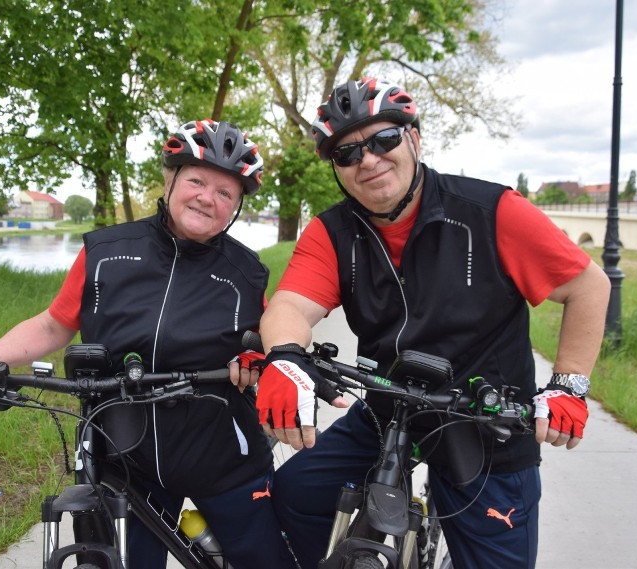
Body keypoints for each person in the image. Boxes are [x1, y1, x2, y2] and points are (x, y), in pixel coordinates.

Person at [255, 77, 612, 569]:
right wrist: (286, 358)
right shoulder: (331, 232)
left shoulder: (492, 212)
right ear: (338, 169)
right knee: (295, 490)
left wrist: (568, 383)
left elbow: (588, 286)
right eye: (348, 154)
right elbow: (290, 307)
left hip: (486, 421)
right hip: (389, 404)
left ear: (415, 139)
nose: (369, 161)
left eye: (384, 141)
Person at [0, 119, 299, 569]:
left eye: (225, 192)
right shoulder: (107, 252)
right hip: (127, 454)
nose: (207, 198)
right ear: (170, 179)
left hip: (222, 454)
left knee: (264, 560)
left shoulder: (246, 275)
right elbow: (55, 325)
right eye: (196, 180)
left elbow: (271, 340)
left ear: (236, 206)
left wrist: (260, 358)